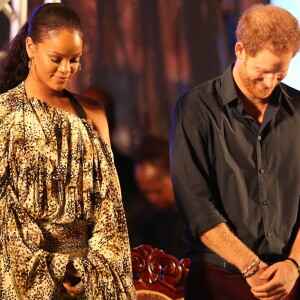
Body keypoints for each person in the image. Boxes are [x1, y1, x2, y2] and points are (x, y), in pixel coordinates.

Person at [0, 3, 135, 299]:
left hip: (91, 279)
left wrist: (91, 270)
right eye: (56, 58)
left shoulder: (92, 113)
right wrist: (55, 271)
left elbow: (111, 207)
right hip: (28, 280)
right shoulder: (4, 116)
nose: (66, 69)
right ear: (31, 47)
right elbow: (5, 219)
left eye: (74, 59)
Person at [170, 4, 300, 300]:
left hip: (290, 280)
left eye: (279, 74)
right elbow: (196, 207)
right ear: (240, 50)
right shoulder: (195, 108)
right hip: (219, 279)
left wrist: (293, 265)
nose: (270, 84)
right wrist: (252, 267)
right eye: (263, 72)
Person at [134, 135, 186, 258]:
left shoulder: (195, 217)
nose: (151, 199)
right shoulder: (150, 218)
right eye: (146, 192)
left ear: (174, 176)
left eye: (157, 191)